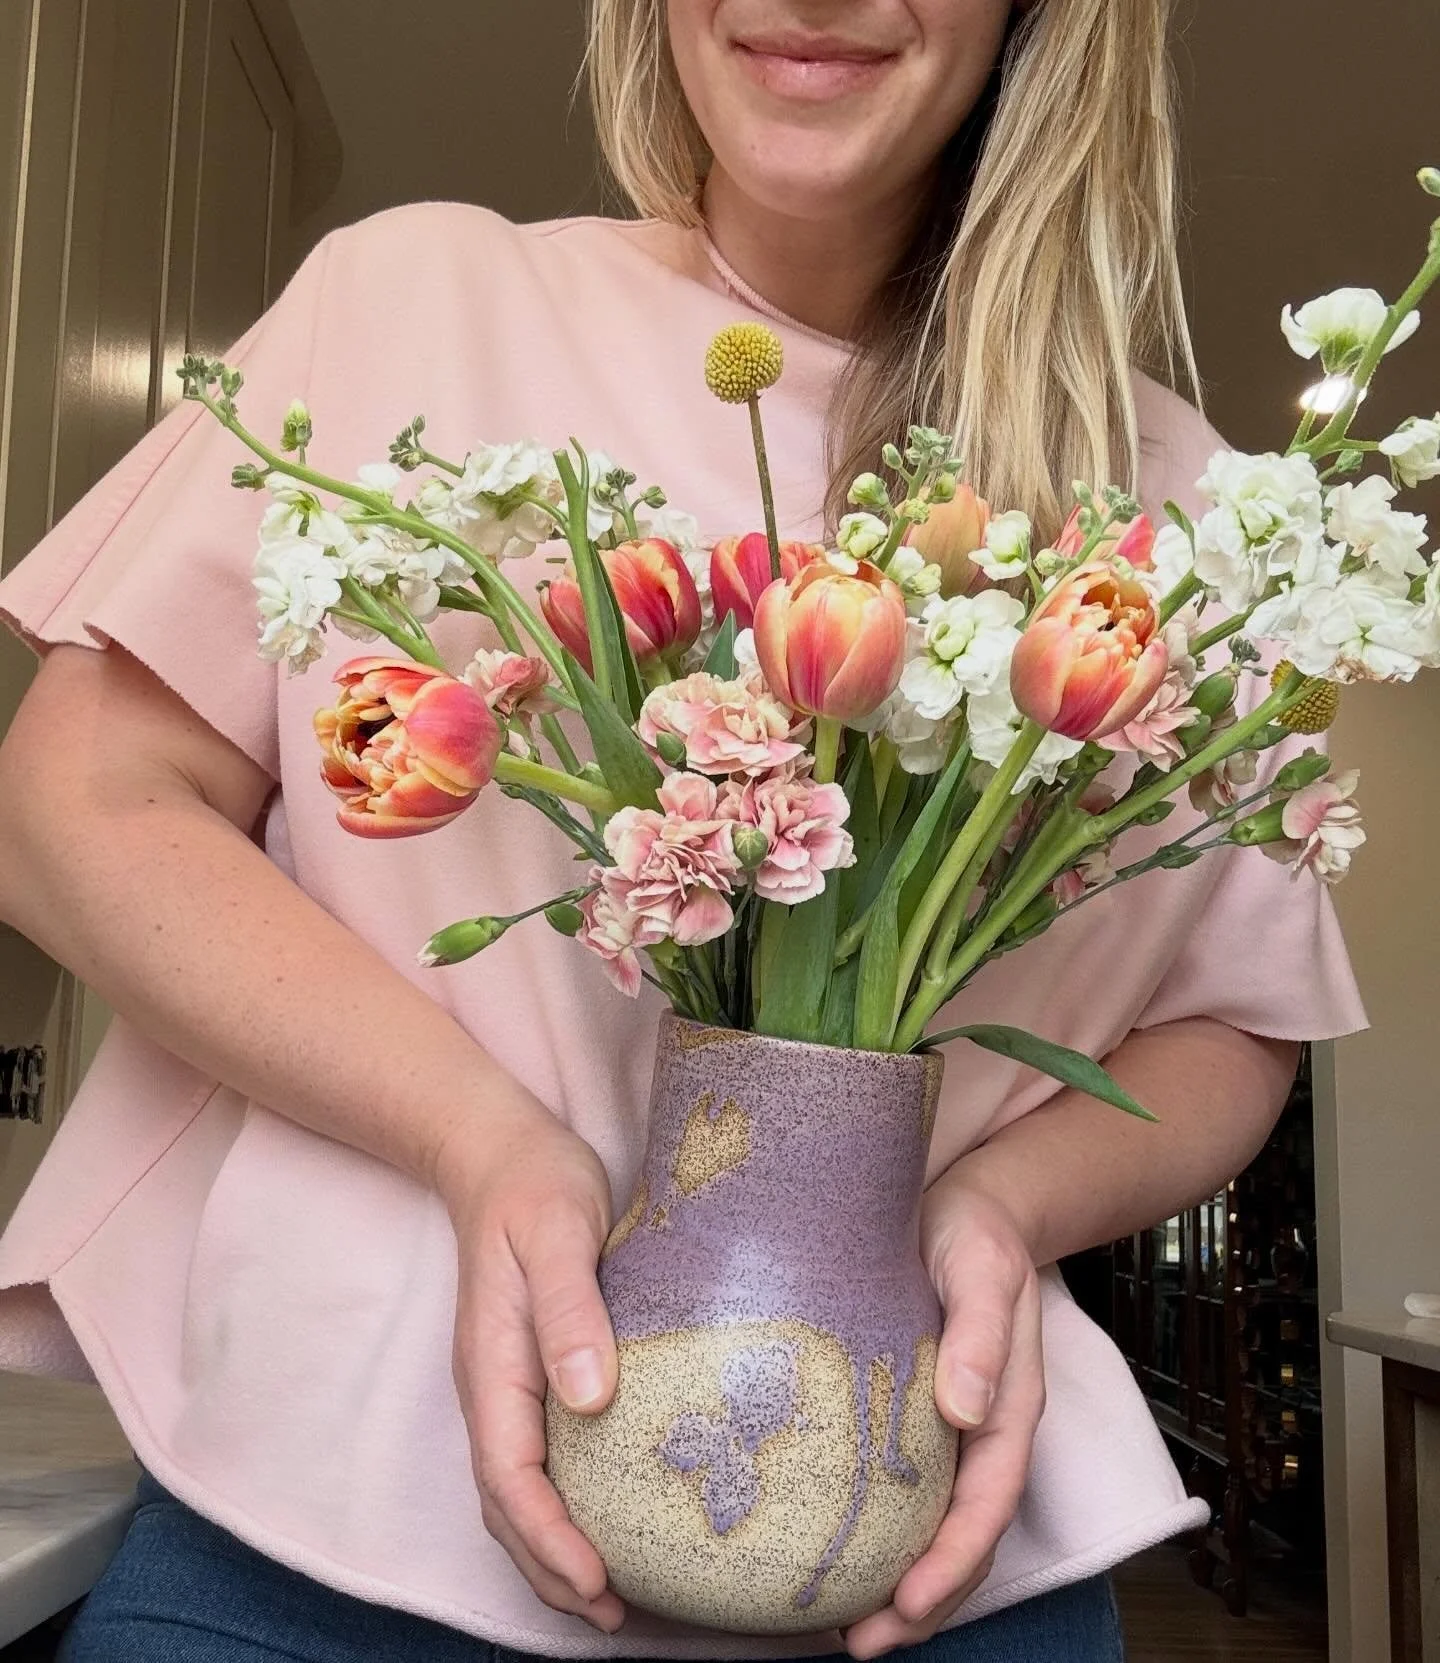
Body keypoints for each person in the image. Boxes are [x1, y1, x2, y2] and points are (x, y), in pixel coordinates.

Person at [0, 1, 1364, 1660]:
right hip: (325, 1523)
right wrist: (477, 1140)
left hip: (929, 1546)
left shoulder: (1187, 516)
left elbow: (1232, 1023)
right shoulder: (415, 300)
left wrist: (1002, 1205)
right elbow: (83, 799)